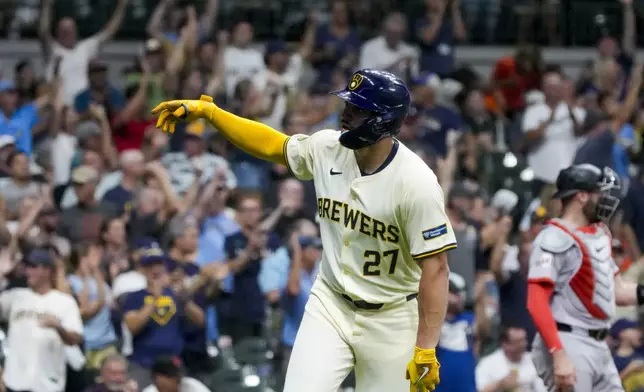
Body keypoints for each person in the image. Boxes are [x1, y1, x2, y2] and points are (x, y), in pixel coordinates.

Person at [153, 69, 455, 391]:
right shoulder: (328, 147)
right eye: (347, 105)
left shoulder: (416, 184)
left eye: (358, 109)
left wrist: (425, 347)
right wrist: (212, 113)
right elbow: (273, 144)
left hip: (393, 316)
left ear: (383, 120)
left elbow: (436, 269)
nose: (346, 114)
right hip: (331, 304)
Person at [526, 163, 644, 391]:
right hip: (569, 341)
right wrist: (558, 354)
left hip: (599, 344)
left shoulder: (599, 233)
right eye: (600, 192)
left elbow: (616, 291)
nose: (606, 199)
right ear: (581, 196)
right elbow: (536, 301)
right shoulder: (554, 237)